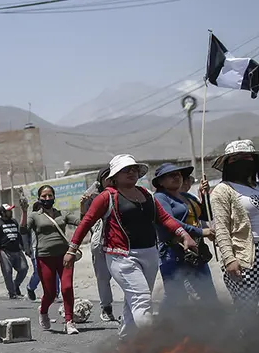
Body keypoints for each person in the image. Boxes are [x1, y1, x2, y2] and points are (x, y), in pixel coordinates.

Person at [68, 154, 196, 338]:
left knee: (133, 301)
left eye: (134, 169)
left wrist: (184, 235)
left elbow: (165, 218)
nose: (131, 172)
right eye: (125, 170)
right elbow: (86, 221)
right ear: (115, 176)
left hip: (150, 254)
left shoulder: (146, 194)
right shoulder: (107, 197)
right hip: (122, 256)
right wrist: (72, 249)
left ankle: (125, 344)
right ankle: (153, 344)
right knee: (141, 299)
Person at [151, 163, 218, 311]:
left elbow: (207, 214)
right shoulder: (160, 198)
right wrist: (201, 232)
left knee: (207, 290)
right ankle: (163, 325)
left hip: (195, 250)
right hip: (172, 251)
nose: (176, 177)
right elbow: (170, 221)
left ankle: (211, 326)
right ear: (161, 182)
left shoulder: (188, 197)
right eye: (171, 175)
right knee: (175, 295)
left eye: (179, 174)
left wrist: (205, 196)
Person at [24, 186, 82, 334]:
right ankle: (43, 311)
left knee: (67, 288)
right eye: (44, 196)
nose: (47, 198)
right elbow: (23, 230)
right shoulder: (35, 216)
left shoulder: (62, 214)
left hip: (65, 256)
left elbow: (81, 223)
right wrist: (24, 212)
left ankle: (69, 321)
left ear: (54, 197)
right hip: (44, 258)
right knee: (50, 293)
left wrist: (83, 207)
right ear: (39, 198)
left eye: (50, 195)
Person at [209, 140, 259, 309]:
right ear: (228, 164)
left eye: (247, 157)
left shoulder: (257, 187)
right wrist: (229, 259)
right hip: (245, 255)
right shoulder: (223, 190)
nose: (243, 161)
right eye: (236, 158)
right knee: (247, 307)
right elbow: (221, 228)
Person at [79, 168, 117, 322]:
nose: (109, 180)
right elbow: (84, 221)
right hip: (100, 243)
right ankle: (106, 308)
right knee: (103, 278)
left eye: (111, 177)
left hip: (118, 243)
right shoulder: (92, 198)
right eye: (105, 177)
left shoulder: (121, 195)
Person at [0, 203, 29, 299]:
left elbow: (19, 235)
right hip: (4, 251)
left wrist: (24, 247)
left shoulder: (14, 221)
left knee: (24, 268)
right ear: (2, 212)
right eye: (8, 211)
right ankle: (12, 293)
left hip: (17, 250)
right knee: (7, 272)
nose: (10, 212)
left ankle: (15, 285)